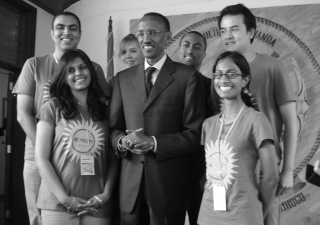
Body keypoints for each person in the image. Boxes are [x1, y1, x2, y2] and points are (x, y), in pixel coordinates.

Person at [12, 12, 110, 225]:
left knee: (87, 213)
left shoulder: (94, 69)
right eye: (60, 27)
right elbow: (23, 114)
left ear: (80, 33)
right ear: (52, 33)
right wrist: (49, 151)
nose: (67, 32)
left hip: (85, 155)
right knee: (40, 217)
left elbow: (100, 112)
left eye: (73, 28)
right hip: (38, 156)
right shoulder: (34, 65)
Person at [109, 12, 205, 225]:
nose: (146, 38)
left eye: (153, 32)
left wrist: (153, 143)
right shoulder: (122, 79)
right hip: (130, 189)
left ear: (168, 37)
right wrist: (122, 142)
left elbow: (194, 134)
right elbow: (113, 129)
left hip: (168, 189)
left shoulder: (187, 77)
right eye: (141, 33)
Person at [218, 4, 298, 224]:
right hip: (228, 173)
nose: (227, 35)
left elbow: (292, 122)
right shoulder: (220, 73)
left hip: (265, 170)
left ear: (250, 32)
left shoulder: (273, 67)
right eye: (223, 30)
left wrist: (288, 170)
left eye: (234, 29)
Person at [35, 49, 118, 225]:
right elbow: (41, 159)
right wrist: (65, 199)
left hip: (97, 205)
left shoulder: (105, 111)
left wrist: (106, 195)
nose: (78, 73)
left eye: (83, 67)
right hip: (58, 203)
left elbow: (112, 160)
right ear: (63, 77)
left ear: (91, 71)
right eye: (71, 70)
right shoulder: (52, 107)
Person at [198, 51, 279, 225]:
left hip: (243, 217)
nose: (224, 79)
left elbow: (271, 177)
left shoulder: (257, 120)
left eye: (232, 74)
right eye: (218, 75)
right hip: (207, 216)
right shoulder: (208, 125)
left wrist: (258, 213)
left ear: (245, 80)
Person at [177, 31, 212, 225]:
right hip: (170, 168)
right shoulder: (160, 85)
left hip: (201, 168)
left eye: (197, 46)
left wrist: (211, 170)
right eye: (186, 45)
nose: (190, 49)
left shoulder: (212, 87)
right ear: (178, 49)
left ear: (204, 54)